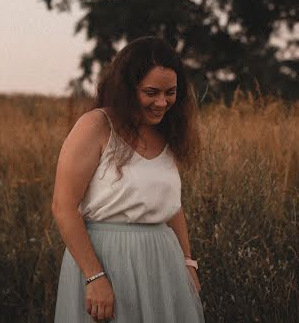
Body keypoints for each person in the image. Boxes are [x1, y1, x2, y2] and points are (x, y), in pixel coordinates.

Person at [52, 36, 206, 322]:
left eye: (170, 92)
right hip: (106, 260)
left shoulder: (168, 132)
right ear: (127, 89)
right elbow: (63, 207)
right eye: (151, 92)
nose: (162, 102)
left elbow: (172, 207)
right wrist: (94, 277)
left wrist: (188, 263)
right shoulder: (96, 126)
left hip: (163, 263)